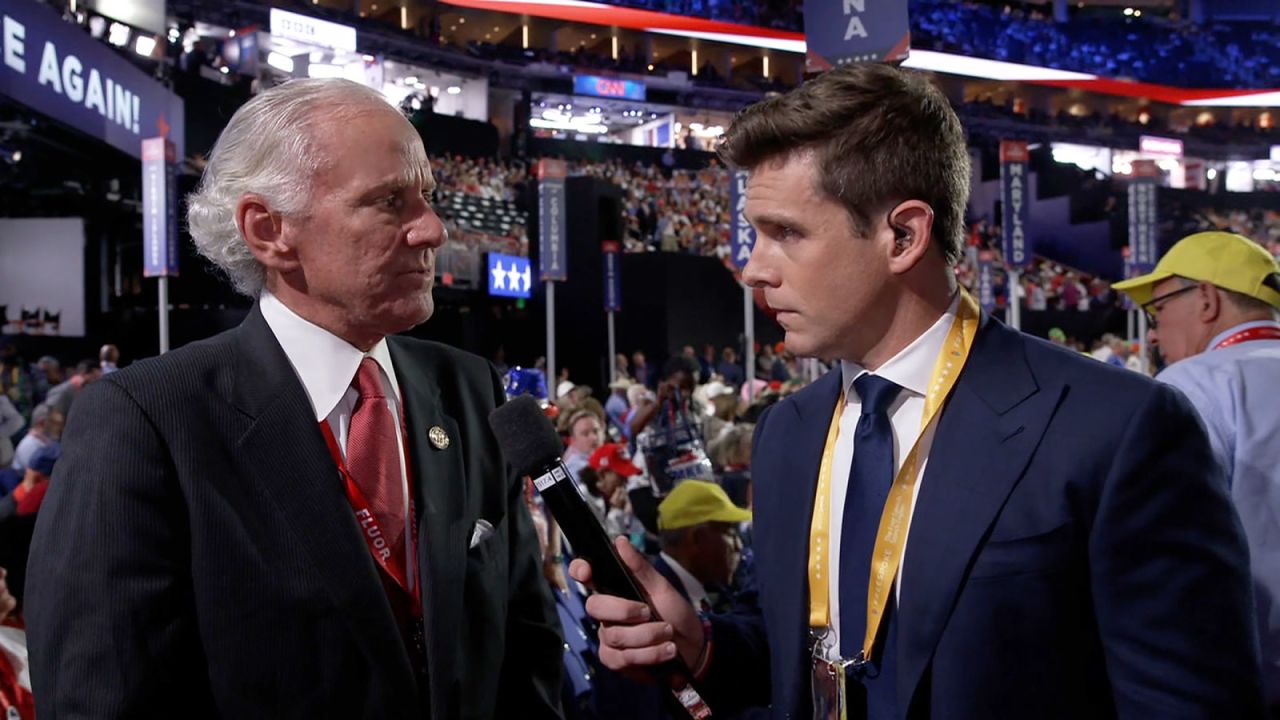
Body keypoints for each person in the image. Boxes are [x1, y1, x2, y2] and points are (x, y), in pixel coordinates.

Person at [571, 62, 1261, 719]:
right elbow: (811, 657)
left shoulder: (1114, 430)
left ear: (902, 235)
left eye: (785, 233)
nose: (752, 268)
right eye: (756, 232)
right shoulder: (789, 432)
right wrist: (704, 646)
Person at [26, 78, 562, 719]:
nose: (432, 229)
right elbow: (102, 698)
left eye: (428, 197)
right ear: (269, 229)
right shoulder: (148, 420)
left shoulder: (470, 387)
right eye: (390, 201)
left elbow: (523, 654)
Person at [1114, 230, 1280, 713]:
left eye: (1158, 308)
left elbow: (1167, 551)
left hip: (1248, 676)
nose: (1153, 331)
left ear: (1206, 299)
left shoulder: (1196, 381)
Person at [653, 481, 752, 614]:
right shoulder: (660, 607)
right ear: (695, 539)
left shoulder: (701, 586)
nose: (738, 546)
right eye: (729, 533)